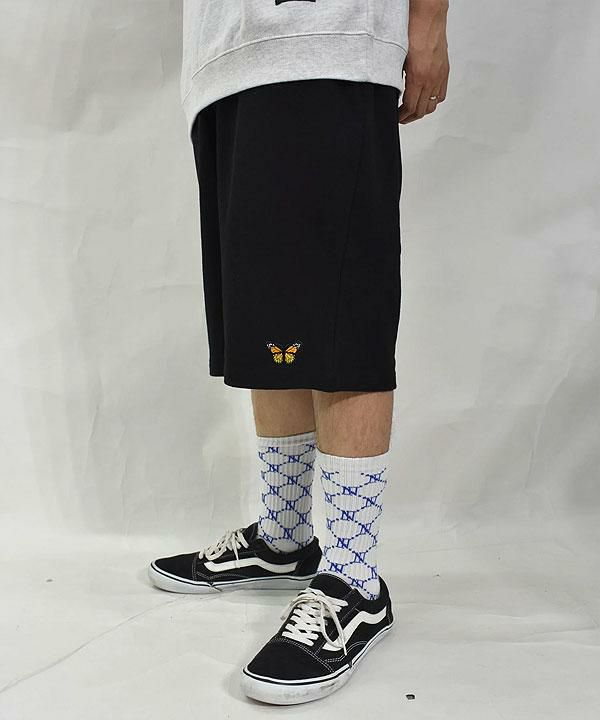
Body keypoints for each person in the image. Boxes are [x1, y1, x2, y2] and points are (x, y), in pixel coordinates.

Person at [149, 0, 450, 705]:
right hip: (225, 60)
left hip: (326, 39)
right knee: (272, 316)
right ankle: (285, 540)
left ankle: (354, 582)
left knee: (343, 316)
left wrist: (429, 20)